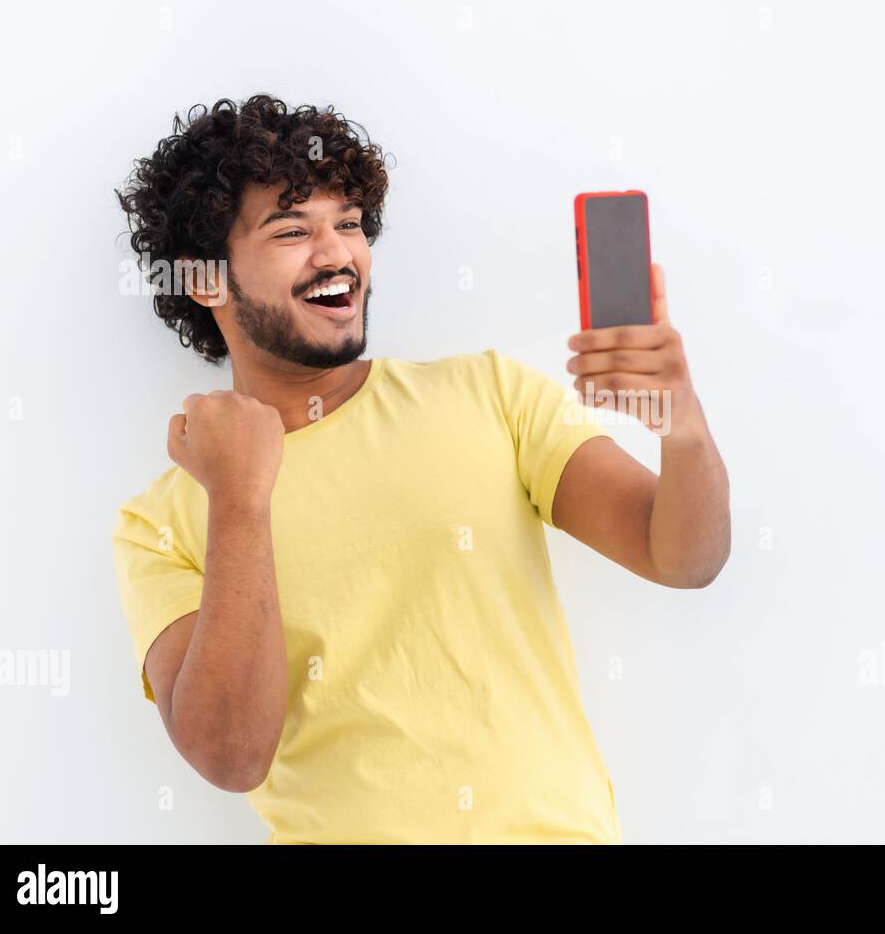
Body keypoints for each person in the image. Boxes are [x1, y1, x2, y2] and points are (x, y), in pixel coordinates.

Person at [110, 94, 730, 843]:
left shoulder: (488, 393)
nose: (338, 253)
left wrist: (685, 428)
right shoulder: (160, 523)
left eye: (349, 224)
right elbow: (233, 757)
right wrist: (240, 499)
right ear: (207, 280)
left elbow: (684, 557)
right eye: (292, 230)